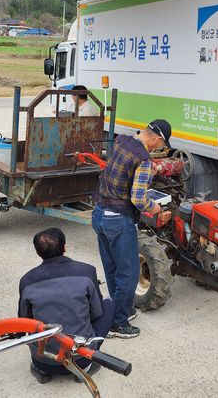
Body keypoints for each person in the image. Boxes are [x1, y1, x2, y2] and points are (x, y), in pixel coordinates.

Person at [92, 119, 171, 338]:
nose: (159, 149)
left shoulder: (122, 140)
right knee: (129, 273)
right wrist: (154, 207)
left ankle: (121, 310)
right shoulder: (143, 160)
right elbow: (138, 199)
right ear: (157, 139)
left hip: (99, 214)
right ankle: (117, 323)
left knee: (112, 267)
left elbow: (122, 171)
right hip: (119, 220)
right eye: (161, 145)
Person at [19, 227, 116, 383]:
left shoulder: (27, 281)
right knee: (110, 305)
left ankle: (42, 372)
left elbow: (24, 321)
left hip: (43, 361)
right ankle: (85, 370)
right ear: (64, 247)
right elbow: (97, 313)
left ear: (38, 252)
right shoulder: (86, 271)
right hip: (81, 358)